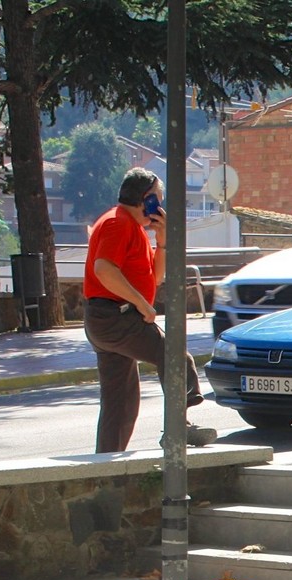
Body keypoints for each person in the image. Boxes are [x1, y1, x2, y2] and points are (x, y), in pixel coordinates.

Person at [83, 167, 215, 452]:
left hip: (108, 318)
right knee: (175, 356)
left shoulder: (132, 227)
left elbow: (153, 279)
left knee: (121, 403)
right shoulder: (118, 223)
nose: (160, 206)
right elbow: (104, 269)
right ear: (146, 199)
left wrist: (162, 242)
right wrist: (142, 304)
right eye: (158, 199)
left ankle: (106, 462)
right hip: (115, 316)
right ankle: (178, 427)